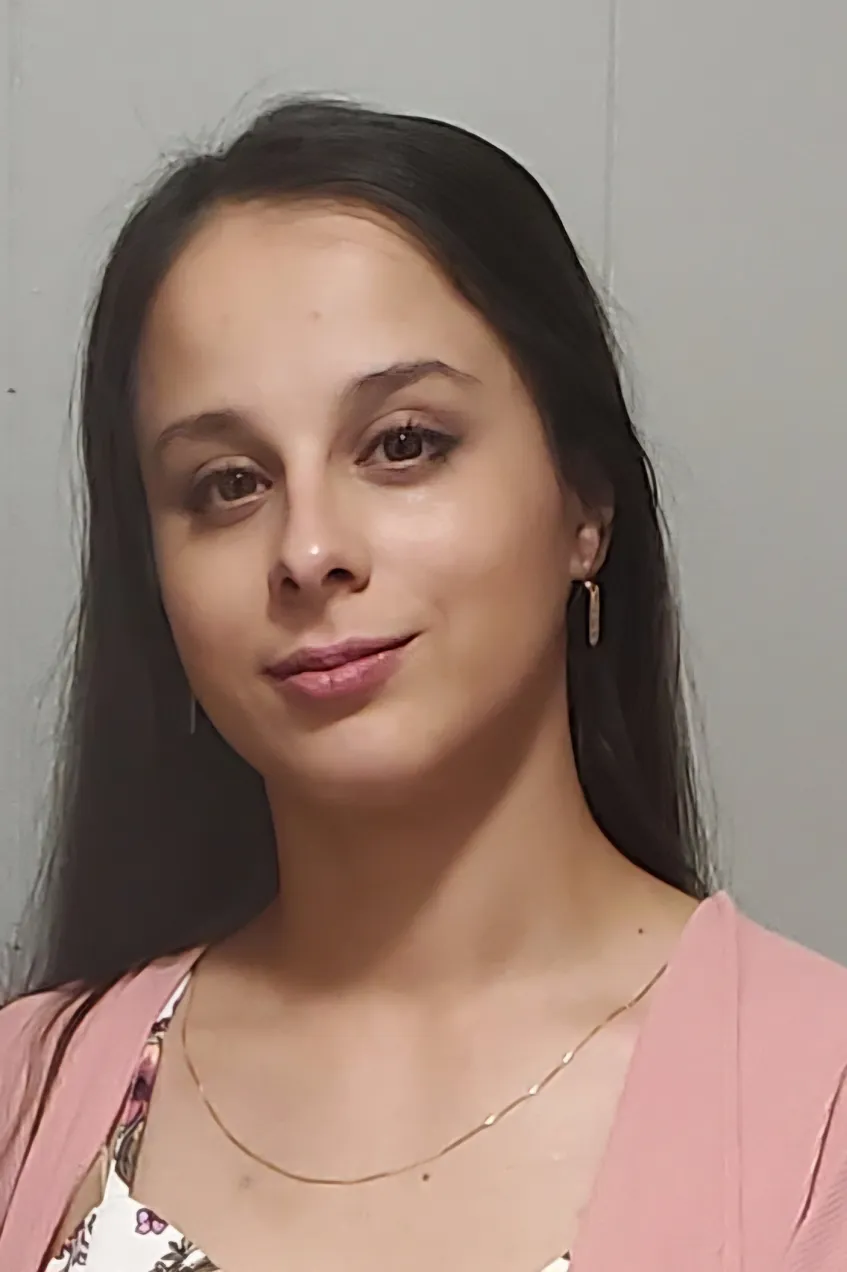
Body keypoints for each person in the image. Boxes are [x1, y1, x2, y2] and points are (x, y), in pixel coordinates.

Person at [1, 96, 846, 1272]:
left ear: (585, 508)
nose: (308, 550)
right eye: (228, 483)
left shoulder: (817, 1115)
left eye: (403, 444)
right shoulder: (27, 1095)